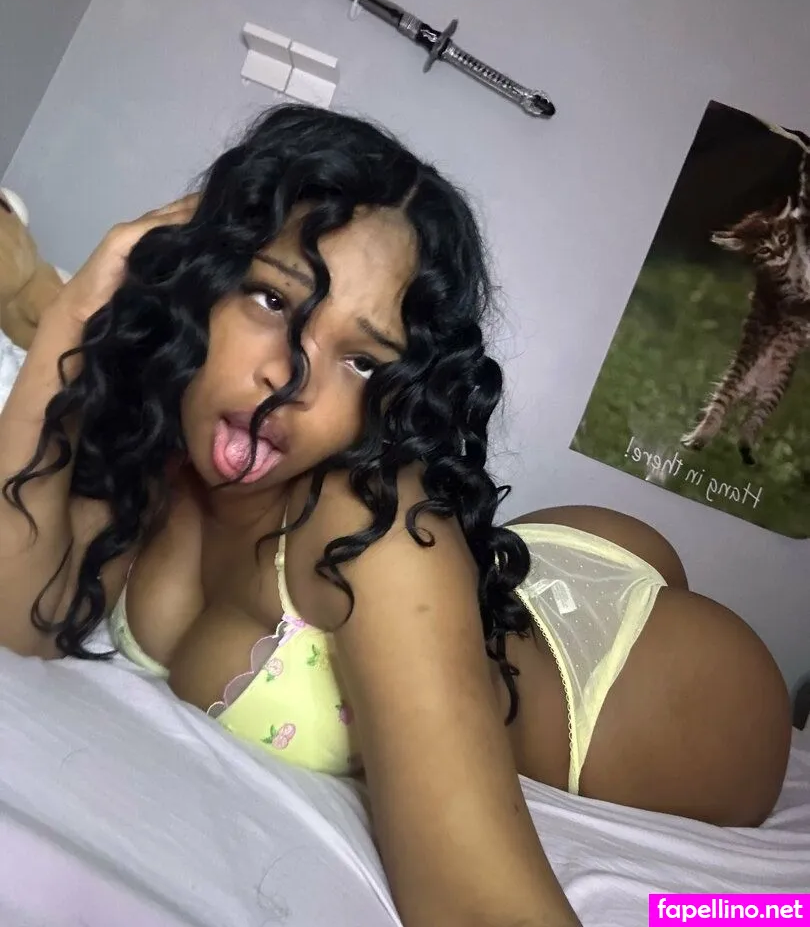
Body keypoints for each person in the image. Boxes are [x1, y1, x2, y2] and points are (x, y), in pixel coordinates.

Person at [0, 104, 792, 927]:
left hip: (649, 692)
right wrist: (71, 322)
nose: (290, 379)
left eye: (359, 359)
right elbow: (15, 619)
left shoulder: (365, 521)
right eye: (272, 299)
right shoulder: (158, 440)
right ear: (204, 281)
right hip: (513, 570)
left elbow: (480, 906)